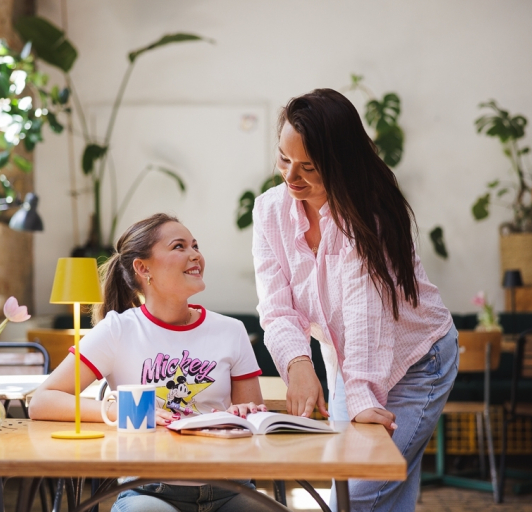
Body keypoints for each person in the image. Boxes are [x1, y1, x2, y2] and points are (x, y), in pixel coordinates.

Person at [252, 89, 458, 512]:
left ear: (339, 163)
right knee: (376, 492)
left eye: (309, 167)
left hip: (417, 361)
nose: (291, 177)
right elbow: (276, 307)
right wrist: (298, 365)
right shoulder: (268, 212)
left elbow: (366, 314)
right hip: (349, 364)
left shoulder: (367, 216)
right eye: (284, 159)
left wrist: (362, 397)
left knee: (357, 495)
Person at [29, 213, 273, 512]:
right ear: (143, 268)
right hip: (149, 491)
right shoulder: (117, 330)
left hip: (230, 488)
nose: (195, 254)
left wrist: (245, 413)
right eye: (179, 246)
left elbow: (252, 419)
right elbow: (42, 401)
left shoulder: (231, 330)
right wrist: (120, 410)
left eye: (195, 245)